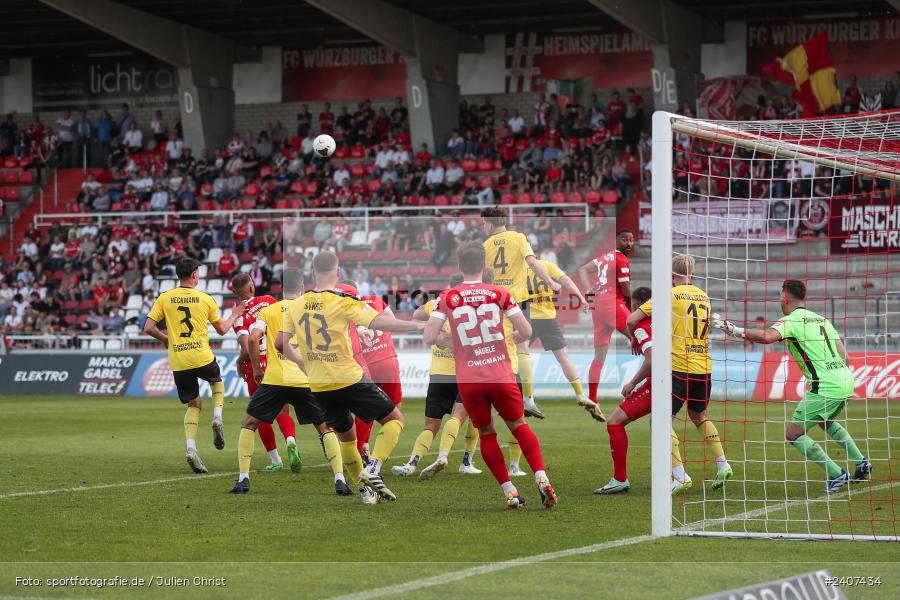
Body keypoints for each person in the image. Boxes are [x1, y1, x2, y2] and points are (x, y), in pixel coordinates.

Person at [280, 251, 425, 504]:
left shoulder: (294, 305)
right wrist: (416, 326)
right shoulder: (343, 301)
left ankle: (367, 494)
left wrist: (301, 361)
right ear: (337, 273)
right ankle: (373, 468)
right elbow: (379, 323)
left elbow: (281, 342)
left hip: (318, 383)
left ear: (312, 273)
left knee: (347, 438)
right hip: (348, 377)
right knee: (395, 420)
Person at [423, 242, 557, 510]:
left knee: (486, 433)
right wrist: (516, 335)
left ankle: (509, 492)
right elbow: (527, 331)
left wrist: (452, 340)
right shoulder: (500, 293)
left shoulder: (447, 296)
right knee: (519, 425)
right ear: (484, 266)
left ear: (459, 267)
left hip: (470, 380)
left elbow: (429, 337)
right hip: (501, 374)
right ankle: (541, 476)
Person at [713, 279, 870, 492]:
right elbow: (845, 357)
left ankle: (837, 474)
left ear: (785, 297)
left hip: (824, 386)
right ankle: (862, 463)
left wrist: (733, 329)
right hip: (845, 380)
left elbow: (767, 336)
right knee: (825, 422)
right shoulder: (821, 319)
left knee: (793, 434)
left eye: (780, 296)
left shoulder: (792, 320)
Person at [229, 268, 349, 496]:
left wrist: (256, 369)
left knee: (249, 423)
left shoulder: (270, 310)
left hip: (274, 379)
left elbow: (253, 339)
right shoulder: (313, 309)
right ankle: (340, 480)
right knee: (324, 427)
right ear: (302, 287)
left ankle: (243, 480)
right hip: (306, 379)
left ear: (281, 288)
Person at [626, 254, 733, 491]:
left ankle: (679, 475)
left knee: (660, 421)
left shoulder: (668, 295)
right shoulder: (704, 296)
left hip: (679, 367)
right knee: (700, 417)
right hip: (703, 367)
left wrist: (633, 336)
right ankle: (723, 464)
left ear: (671, 274)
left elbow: (632, 319)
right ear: (691, 274)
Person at [142, 257, 248, 473]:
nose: (199, 275)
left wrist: (165, 339)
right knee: (216, 382)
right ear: (193, 275)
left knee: (194, 404)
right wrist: (236, 313)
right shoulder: (205, 299)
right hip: (201, 355)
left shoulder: (165, 297)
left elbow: (148, 327)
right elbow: (222, 329)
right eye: (198, 272)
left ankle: (191, 449)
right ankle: (218, 416)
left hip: (179, 360)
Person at [594, 287, 689, 495]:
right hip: (685, 375)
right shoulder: (668, 319)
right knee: (665, 423)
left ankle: (620, 479)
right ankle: (685, 472)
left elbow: (652, 359)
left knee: (615, 422)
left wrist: (631, 383)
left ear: (635, 307)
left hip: (660, 382)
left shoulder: (640, 326)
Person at [393, 273, 483, 478]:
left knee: (430, 426)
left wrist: (432, 322)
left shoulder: (437, 303)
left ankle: (412, 463)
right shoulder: (472, 307)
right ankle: (452, 458)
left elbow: (416, 315)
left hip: (438, 375)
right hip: (464, 373)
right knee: (463, 417)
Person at [480, 206, 559, 422]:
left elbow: (483, 276)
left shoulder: (485, 245)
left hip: (494, 300)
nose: (482, 226)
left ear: (488, 223)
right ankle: (527, 398)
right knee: (521, 347)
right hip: (517, 300)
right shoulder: (518, 237)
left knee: (499, 347)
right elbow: (532, 262)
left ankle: (498, 395)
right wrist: (550, 282)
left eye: (483, 223)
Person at [230, 274, 300, 473]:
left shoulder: (239, 317)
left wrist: (240, 361)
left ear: (235, 292)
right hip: (276, 360)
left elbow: (246, 347)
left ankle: (275, 459)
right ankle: (290, 440)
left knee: (258, 414)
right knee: (282, 410)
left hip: (256, 366)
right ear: (252, 287)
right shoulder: (269, 301)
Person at [339, 281, 404, 463]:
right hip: (387, 359)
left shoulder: (340, 309)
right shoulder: (376, 300)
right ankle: (378, 453)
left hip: (364, 364)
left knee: (364, 408)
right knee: (396, 409)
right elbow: (391, 322)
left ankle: (362, 448)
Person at [577, 229, 635, 422]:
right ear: (617, 240)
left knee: (599, 357)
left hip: (598, 306)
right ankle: (655, 386)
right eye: (625, 239)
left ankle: (592, 399)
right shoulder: (621, 260)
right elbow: (626, 290)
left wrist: (589, 290)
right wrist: (632, 309)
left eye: (631, 240)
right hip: (612, 303)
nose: (629, 243)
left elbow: (583, 269)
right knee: (641, 335)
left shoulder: (604, 257)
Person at [522, 258, 589, 417]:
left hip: (526, 318)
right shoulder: (547, 265)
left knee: (519, 356)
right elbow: (565, 279)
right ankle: (580, 394)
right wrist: (581, 298)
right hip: (548, 319)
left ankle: (526, 398)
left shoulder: (518, 268)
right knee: (563, 357)